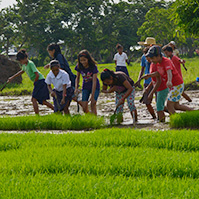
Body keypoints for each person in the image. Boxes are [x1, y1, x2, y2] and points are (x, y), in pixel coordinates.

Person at [145, 45, 192, 118]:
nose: (151, 60)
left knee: (169, 105)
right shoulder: (157, 63)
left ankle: (175, 120)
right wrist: (150, 75)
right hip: (173, 86)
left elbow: (169, 71)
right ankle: (194, 112)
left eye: (152, 58)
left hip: (177, 84)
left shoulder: (166, 61)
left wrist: (169, 81)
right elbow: (158, 73)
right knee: (176, 106)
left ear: (158, 56)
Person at [7, 49, 54, 114]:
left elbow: (37, 75)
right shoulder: (24, 65)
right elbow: (22, 71)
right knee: (42, 101)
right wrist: (12, 77)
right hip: (38, 82)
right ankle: (56, 110)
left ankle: (37, 115)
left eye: (21, 61)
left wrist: (35, 82)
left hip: (40, 81)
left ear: (25, 58)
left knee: (33, 99)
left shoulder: (30, 63)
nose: (20, 62)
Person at [45, 43, 82, 109]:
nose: (49, 54)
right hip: (66, 80)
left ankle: (86, 108)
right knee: (70, 98)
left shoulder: (59, 56)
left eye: (49, 52)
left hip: (69, 80)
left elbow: (60, 67)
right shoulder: (57, 57)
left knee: (73, 96)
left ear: (53, 51)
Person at [75, 50, 100, 115]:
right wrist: (76, 88)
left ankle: (95, 119)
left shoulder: (93, 66)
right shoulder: (79, 66)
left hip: (95, 86)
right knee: (84, 107)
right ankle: (90, 116)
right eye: (81, 60)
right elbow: (77, 78)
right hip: (85, 86)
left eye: (84, 60)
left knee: (93, 104)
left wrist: (92, 95)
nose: (83, 62)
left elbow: (94, 81)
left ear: (88, 59)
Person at [137, 46, 156, 119]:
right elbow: (142, 69)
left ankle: (166, 115)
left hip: (155, 82)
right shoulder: (143, 57)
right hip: (147, 82)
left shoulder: (156, 59)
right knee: (147, 102)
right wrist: (139, 80)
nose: (147, 58)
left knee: (159, 103)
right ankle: (154, 117)